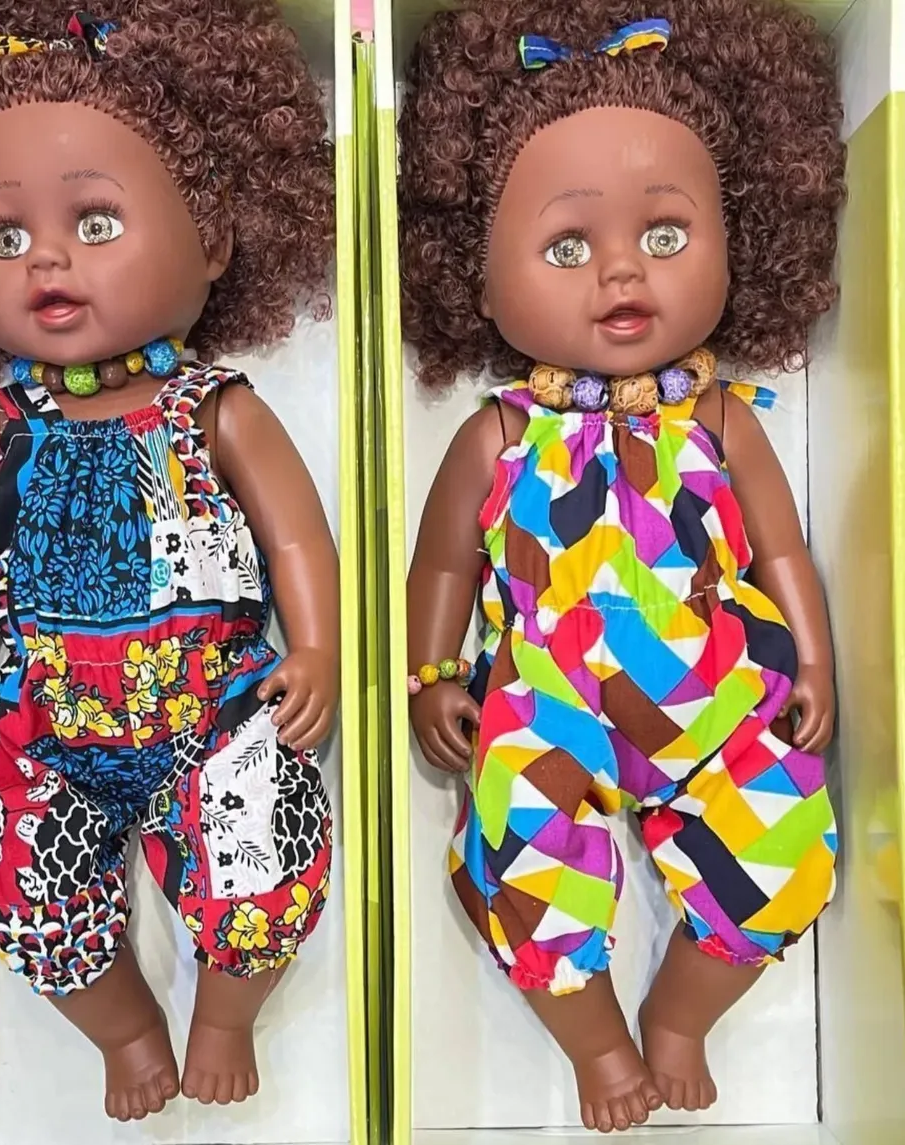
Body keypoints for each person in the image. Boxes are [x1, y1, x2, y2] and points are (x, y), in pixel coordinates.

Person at [0, 0, 339, 1122]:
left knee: (265, 849)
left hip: (211, 707)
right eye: (3, 238)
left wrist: (318, 645)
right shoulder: (1, 431)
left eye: (94, 221)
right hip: (44, 715)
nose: (45, 257)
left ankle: (223, 1014)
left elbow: (297, 537)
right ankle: (126, 1028)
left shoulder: (215, 409)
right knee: (18, 878)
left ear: (212, 241)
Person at [399, 0, 843, 1132]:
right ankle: (598, 1044)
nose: (619, 273)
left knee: (788, 850)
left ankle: (681, 1016)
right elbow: (440, 566)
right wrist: (430, 671)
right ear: (484, 286)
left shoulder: (721, 420)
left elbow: (782, 550)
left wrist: (815, 662)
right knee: (517, 862)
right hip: (548, 700)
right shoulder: (499, 433)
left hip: (717, 691)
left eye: (666, 236)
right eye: (566, 248)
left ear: (735, 242)